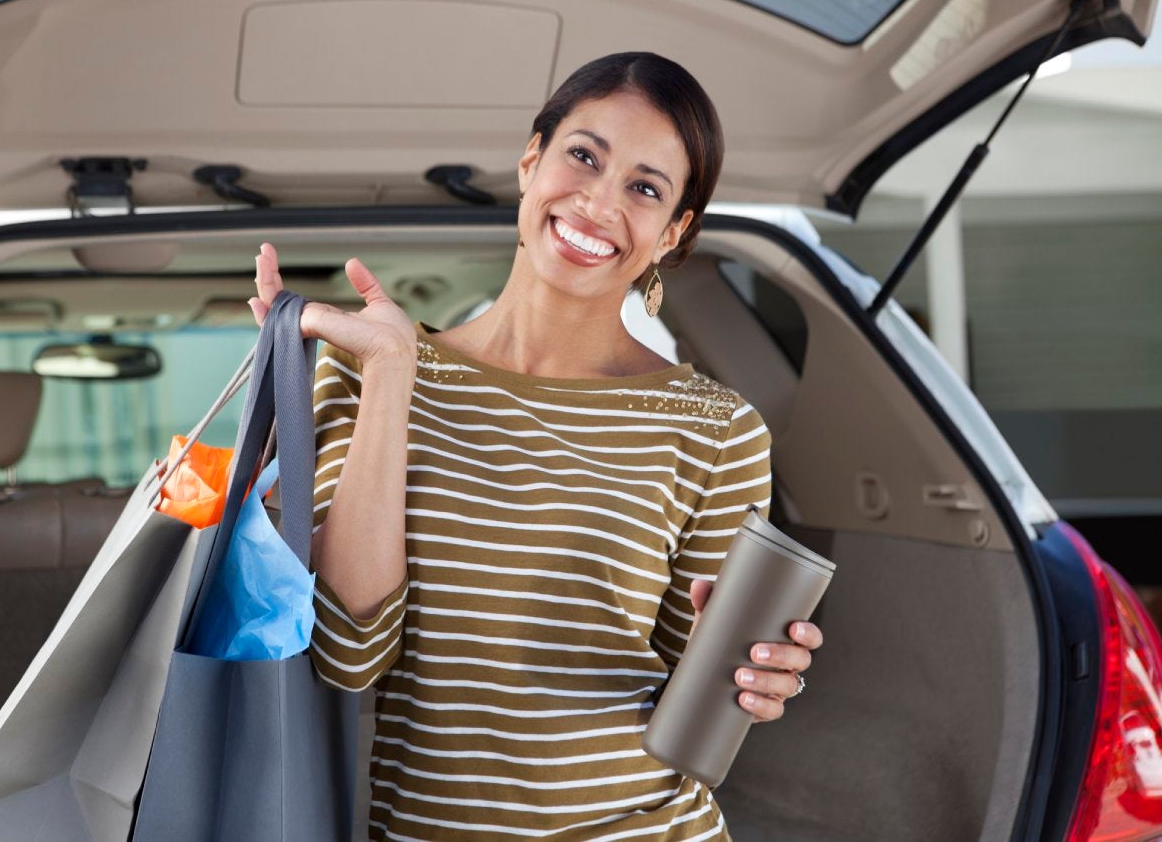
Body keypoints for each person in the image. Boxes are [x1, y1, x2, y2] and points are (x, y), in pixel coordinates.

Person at [249, 51, 824, 840]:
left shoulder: (715, 429)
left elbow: (700, 709)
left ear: (674, 232)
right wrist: (391, 372)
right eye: (583, 156)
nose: (596, 202)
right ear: (531, 159)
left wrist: (752, 678)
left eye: (645, 188)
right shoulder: (367, 374)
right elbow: (350, 655)